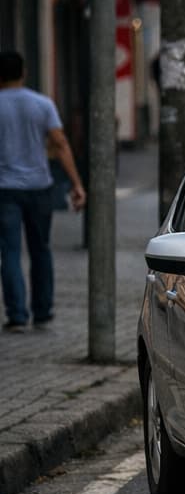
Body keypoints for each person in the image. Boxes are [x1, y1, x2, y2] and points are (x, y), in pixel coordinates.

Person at [0, 51, 86, 332]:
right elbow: (60, 144)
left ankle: (17, 315)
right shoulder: (42, 103)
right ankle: (42, 311)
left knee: (10, 251)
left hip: (5, 189)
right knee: (41, 249)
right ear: (23, 72)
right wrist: (76, 183)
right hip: (39, 187)